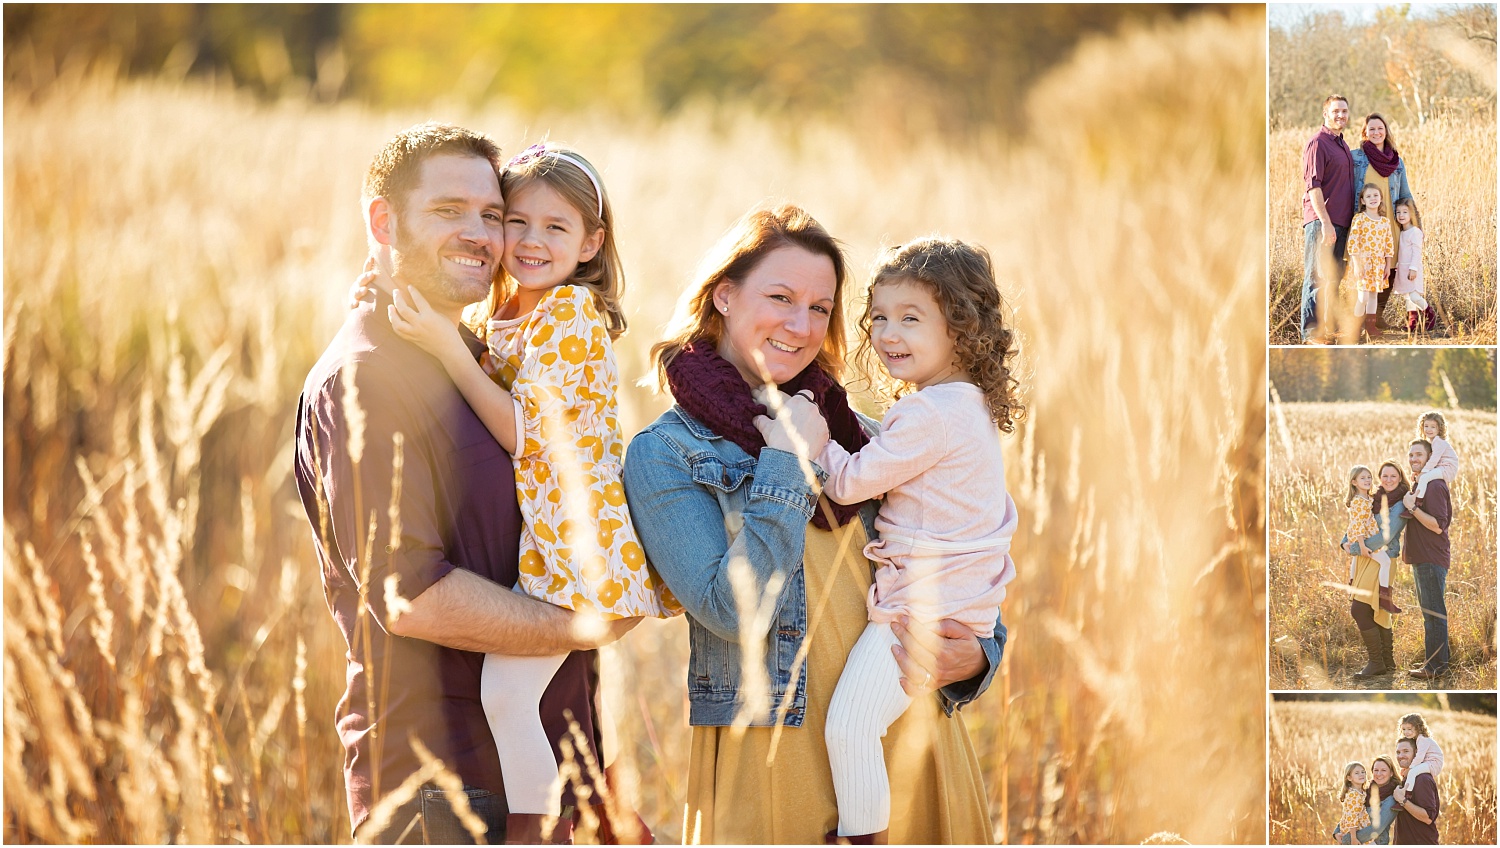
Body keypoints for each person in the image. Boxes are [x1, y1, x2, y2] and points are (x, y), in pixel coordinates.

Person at [294, 122, 637, 844]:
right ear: (383, 223)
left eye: (491, 214)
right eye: (450, 211)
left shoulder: (482, 347)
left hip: (551, 768)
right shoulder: (371, 379)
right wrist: (583, 624)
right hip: (448, 790)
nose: (484, 235)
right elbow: (410, 594)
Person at [622, 204, 1001, 843]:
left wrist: (979, 657)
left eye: (821, 308)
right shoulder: (666, 454)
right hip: (775, 751)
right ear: (724, 295)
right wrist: (785, 461)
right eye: (781, 297)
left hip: (904, 736)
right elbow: (732, 610)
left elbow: (961, 553)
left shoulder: (860, 436)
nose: (801, 326)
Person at [800, 238, 1021, 841]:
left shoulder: (929, 415)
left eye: (910, 318)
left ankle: (862, 838)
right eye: (878, 317)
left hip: (918, 611)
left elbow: (846, 484)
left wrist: (811, 437)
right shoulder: (963, 406)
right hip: (953, 604)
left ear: (960, 329)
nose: (888, 333)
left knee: (850, 726)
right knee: (862, 726)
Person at [1349, 113, 1415, 327]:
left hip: (1390, 224)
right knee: (1366, 270)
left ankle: (1376, 317)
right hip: (1367, 225)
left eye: (1380, 128)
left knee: (1390, 268)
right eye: (1372, 129)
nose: (1376, 133)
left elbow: (1405, 194)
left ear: (1386, 131)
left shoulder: (1397, 161)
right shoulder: (1356, 158)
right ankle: (1358, 321)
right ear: (1364, 133)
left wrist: (1413, 223)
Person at [1300, 95, 1356, 344]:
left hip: (1342, 223)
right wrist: (1324, 222)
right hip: (1323, 222)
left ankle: (1326, 330)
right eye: (1335, 111)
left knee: (1334, 277)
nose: (1341, 115)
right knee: (1316, 276)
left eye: (1344, 111)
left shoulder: (1342, 145)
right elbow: (1313, 186)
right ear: (1325, 113)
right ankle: (1311, 333)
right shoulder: (1318, 143)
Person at [1401, 439, 1452, 680]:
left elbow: (1438, 526)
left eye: (1418, 454)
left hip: (1432, 557)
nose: (1413, 459)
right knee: (1430, 613)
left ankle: (1435, 668)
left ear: (1431, 457)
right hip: (1422, 558)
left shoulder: (1434, 486)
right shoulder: (1421, 484)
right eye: (1410, 455)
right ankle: (1439, 663)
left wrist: (1412, 509)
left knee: (1434, 613)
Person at [1344, 465, 1399, 614]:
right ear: (1354, 482)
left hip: (1365, 534)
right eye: (1363, 478)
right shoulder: (1358, 501)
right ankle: (1384, 598)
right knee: (1385, 562)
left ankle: (1352, 583)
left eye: (1369, 477)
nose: (1367, 480)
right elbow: (1358, 523)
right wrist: (1361, 545)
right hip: (1366, 537)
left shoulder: (1368, 498)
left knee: (1355, 560)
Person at [1346, 182, 1397, 342]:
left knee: (1374, 295)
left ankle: (1370, 327)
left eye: (1376, 195)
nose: (1372, 198)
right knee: (1363, 297)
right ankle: (1354, 328)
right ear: (1362, 201)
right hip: (1363, 264)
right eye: (1368, 196)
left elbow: (1389, 245)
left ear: (1381, 198)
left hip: (1379, 265)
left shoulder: (1384, 222)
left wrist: (1388, 265)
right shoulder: (1359, 219)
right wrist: (1356, 264)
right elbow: (1353, 243)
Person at [1392, 199, 1432, 332]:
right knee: (1408, 298)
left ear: (1412, 214)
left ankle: (1430, 315)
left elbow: (1417, 253)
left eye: (1405, 212)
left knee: (1414, 296)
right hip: (1402, 269)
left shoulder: (1415, 232)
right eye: (1398, 212)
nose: (1401, 215)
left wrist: (1413, 268)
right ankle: (1412, 322)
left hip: (1412, 269)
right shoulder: (1402, 232)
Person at [1393, 738, 1441, 844]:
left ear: (1416, 753)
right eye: (1398, 752)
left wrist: (1402, 801)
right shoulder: (1408, 777)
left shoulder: (1422, 779)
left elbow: (1428, 817)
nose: (1401, 755)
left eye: (1406, 751)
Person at [1412, 412, 1458, 499]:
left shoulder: (1439, 441)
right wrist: (1417, 472)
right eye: (1426, 426)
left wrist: (1422, 472)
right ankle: (1419, 495)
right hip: (1442, 467)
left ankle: (1418, 499)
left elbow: (1434, 460)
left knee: (1424, 478)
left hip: (1447, 468)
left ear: (1439, 429)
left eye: (1433, 427)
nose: (1429, 429)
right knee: (1424, 477)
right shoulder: (1433, 442)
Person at [1397, 713, 1445, 794]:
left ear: (1418, 728)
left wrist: (1409, 769)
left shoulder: (1422, 739)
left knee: (1412, 772)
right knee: (1413, 771)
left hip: (1433, 763)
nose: (1406, 732)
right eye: (1404, 729)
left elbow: (1419, 757)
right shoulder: (1417, 739)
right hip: (1429, 762)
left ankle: (1407, 793)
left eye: (1409, 729)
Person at [1333, 761, 1373, 845]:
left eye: (1363, 772)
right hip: (1353, 832)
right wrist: (1353, 838)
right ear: (1349, 778)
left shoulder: (1361, 791)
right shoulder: (1353, 795)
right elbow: (1352, 816)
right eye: (1357, 773)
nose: (1361, 774)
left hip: (1360, 828)